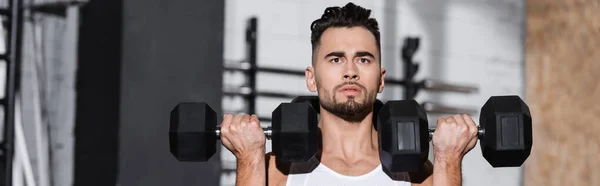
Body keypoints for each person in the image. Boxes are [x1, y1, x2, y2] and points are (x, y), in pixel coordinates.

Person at [219, 2, 478, 186]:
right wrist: (249, 156)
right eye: (335, 60)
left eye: (364, 60)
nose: (350, 71)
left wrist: (449, 157)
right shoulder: (279, 170)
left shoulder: (413, 173)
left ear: (381, 79)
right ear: (311, 78)